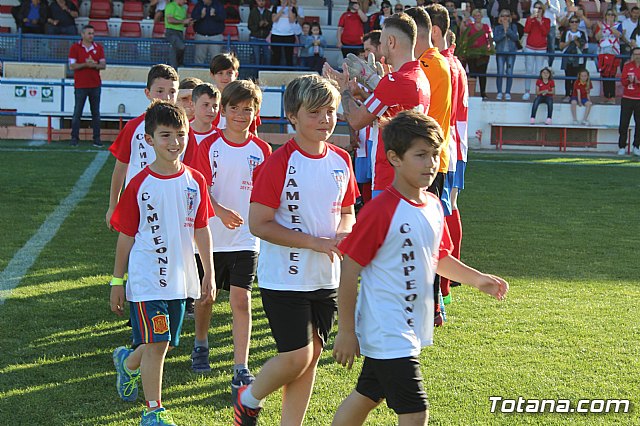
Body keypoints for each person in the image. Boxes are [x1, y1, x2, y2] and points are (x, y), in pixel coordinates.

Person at [331, 110, 509, 426]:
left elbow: (438, 258)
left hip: (409, 326)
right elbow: (349, 270)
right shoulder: (380, 211)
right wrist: (345, 330)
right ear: (395, 158)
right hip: (386, 328)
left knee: (367, 394)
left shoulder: (432, 205)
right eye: (420, 155)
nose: (430, 163)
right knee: (414, 412)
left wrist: (478, 280)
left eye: (434, 154)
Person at [233, 74, 358, 426]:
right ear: (292, 116)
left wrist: (344, 234)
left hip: (326, 278)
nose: (325, 120)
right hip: (284, 279)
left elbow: (347, 212)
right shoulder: (278, 163)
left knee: (312, 356)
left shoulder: (341, 160)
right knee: (297, 356)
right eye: (315, 112)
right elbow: (258, 223)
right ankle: (250, 396)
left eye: (330, 111)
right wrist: (315, 242)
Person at [109, 100, 215, 426]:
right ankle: (153, 411)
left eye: (180, 135)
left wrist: (208, 273)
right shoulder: (139, 185)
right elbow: (126, 236)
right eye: (165, 135)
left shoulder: (195, 181)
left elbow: (202, 228)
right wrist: (117, 281)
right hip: (146, 279)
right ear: (149, 139)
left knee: (163, 342)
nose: (174, 142)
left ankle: (128, 363)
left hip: (180, 278)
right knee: (158, 342)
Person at [192, 80, 271, 395]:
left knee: (241, 299)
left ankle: (241, 367)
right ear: (223, 110)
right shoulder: (208, 145)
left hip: (246, 239)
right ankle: (200, 343)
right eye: (234, 108)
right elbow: (199, 189)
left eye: (247, 109)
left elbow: (265, 196)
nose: (241, 114)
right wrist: (220, 211)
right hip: (210, 236)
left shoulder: (262, 150)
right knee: (206, 297)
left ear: (256, 112)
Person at [323, 13, 431, 200]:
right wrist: (371, 85)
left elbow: (356, 120)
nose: (379, 49)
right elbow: (389, 108)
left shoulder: (393, 81)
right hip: (408, 176)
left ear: (391, 41)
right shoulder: (420, 76)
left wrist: (344, 89)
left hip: (390, 178)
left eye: (380, 42)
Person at [106, 64, 184, 228]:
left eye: (172, 92)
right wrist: (113, 205)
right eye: (160, 91)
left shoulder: (184, 127)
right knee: (133, 247)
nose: (166, 97)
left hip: (173, 199)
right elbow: (120, 168)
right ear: (147, 93)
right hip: (138, 200)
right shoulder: (133, 127)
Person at [439, 28, 470, 302]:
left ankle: (445, 284)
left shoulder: (445, 64)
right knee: (450, 207)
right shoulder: (455, 63)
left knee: (444, 210)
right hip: (456, 145)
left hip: (448, 145)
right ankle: (451, 276)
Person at [68, 25, 106, 148]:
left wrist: (94, 65)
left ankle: (97, 139)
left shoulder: (98, 48)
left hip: (95, 85)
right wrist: (86, 64)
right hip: (80, 85)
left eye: (93, 33)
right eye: (89, 33)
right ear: (83, 34)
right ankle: (74, 138)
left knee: (96, 113)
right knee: (77, 112)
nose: (91, 36)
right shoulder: (75, 48)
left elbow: (103, 65)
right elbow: (72, 66)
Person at [209, 53, 262, 134]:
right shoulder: (205, 100)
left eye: (229, 73)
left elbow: (252, 131)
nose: (225, 77)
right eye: (220, 73)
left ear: (236, 74)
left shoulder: (246, 98)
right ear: (212, 75)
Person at [461, 8, 493, 100]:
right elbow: (464, 34)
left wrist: (490, 48)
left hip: (483, 53)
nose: (477, 17)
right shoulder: (470, 26)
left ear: (482, 17)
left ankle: (483, 93)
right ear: (473, 17)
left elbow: (490, 38)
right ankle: (471, 93)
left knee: (483, 74)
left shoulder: (486, 26)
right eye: (476, 15)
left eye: (479, 15)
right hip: (472, 53)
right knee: (473, 74)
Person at [522, 1, 550, 100]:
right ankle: (527, 91)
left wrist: (539, 21)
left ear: (543, 10)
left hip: (541, 48)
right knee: (528, 70)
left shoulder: (546, 20)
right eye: (536, 8)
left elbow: (545, 32)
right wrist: (531, 19)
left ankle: (538, 91)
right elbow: (526, 30)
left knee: (539, 71)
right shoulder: (530, 19)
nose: (538, 10)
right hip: (530, 47)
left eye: (540, 8)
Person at [596, 10, 622, 104]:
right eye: (608, 14)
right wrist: (600, 28)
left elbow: (618, 34)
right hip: (603, 51)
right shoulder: (600, 25)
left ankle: (612, 97)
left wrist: (609, 26)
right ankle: (606, 96)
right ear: (605, 16)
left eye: (612, 15)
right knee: (604, 74)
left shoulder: (618, 25)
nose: (610, 16)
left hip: (613, 51)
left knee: (612, 74)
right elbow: (597, 37)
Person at [618, 47, 640, 156]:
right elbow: (622, 81)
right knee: (623, 123)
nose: (637, 56)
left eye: (639, 54)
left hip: (639, 100)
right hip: (627, 98)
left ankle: (636, 146)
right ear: (632, 55)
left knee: (639, 124)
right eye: (635, 54)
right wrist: (628, 80)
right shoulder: (627, 66)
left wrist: (637, 81)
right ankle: (622, 146)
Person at [559, 16, 587, 102]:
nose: (574, 23)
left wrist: (575, 41)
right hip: (567, 58)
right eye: (572, 22)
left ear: (578, 23)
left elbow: (582, 46)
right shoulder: (565, 33)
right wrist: (569, 41)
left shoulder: (581, 33)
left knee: (576, 78)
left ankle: (575, 95)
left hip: (578, 59)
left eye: (576, 21)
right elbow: (561, 46)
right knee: (568, 77)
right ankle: (567, 94)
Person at [493, 9, 519, 100]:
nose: (505, 17)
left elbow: (515, 37)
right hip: (500, 52)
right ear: (500, 17)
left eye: (507, 15)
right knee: (500, 72)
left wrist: (507, 30)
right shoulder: (497, 28)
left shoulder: (514, 26)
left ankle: (508, 92)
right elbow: (495, 39)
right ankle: (499, 92)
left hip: (511, 52)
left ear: (510, 18)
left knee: (509, 72)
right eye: (503, 15)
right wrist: (503, 32)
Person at [191, 0, 226, 65]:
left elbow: (223, 17)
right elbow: (193, 19)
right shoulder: (199, 5)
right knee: (199, 59)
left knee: (217, 60)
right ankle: (198, 74)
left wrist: (215, 15)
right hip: (201, 36)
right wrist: (201, 16)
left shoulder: (218, 5)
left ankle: (216, 74)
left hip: (215, 37)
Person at [270, 0, 304, 67]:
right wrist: (282, 8)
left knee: (289, 56)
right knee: (276, 55)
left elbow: (292, 20)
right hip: (276, 34)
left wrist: (288, 8)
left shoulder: (293, 8)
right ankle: (275, 71)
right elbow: (274, 19)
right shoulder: (275, 7)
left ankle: (289, 71)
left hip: (289, 35)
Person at [165, 0, 192, 69]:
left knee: (174, 49)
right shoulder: (171, 6)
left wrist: (188, 23)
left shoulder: (183, 8)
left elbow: (183, 23)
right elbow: (170, 20)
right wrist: (183, 21)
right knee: (181, 46)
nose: (185, 1)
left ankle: (175, 66)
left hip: (180, 32)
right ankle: (177, 65)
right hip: (171, 31)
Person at [248, 0, 272, 66]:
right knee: (256, 58)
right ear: (256, 1)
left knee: (267, 57)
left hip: (266, 39)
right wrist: (259, 25)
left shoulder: (269, 13)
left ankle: (266, 74)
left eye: (263, 1)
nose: (261, 2)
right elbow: (250, 26)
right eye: (259, 1)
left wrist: (267, 24)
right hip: (255, 38)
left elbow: (272, 26)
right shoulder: (252, 12)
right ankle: (256, 75)